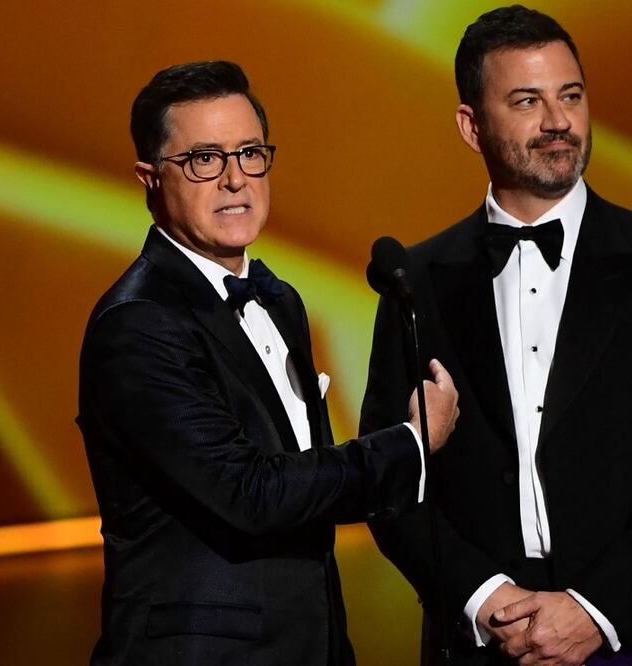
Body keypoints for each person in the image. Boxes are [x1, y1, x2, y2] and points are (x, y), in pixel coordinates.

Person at [360, 6, 632, 666]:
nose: (558, 121)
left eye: (570, 96)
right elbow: (388, 478)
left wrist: (594, 610)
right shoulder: (414, 279)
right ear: (471, 126)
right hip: (488, 641)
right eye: (526, 101)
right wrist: (486, 600)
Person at [77, 60, 458, 666]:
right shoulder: (140, 323)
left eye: (250, 153)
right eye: (204, 159)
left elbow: (305, 493)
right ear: (150, 178)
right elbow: (249, 492)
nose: (235, 179)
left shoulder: (279, 300)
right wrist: (410, 444)